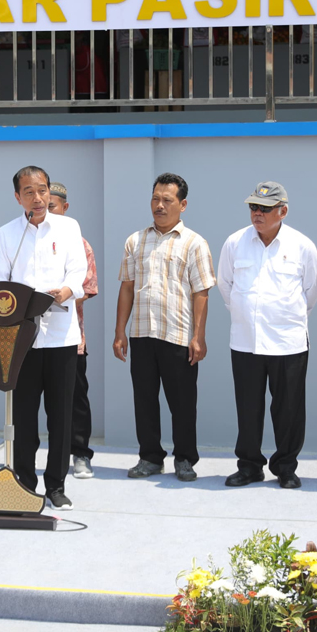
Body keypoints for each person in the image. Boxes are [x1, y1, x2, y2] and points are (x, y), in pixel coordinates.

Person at [0, 166, 87, 510]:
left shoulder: (68, 227)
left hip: (61, 336)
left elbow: (79, 271)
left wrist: (64, 291)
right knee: (25, 417)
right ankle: (25, 483)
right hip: (22, 339)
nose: (38, 198)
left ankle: (56, 485)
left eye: (43, 190)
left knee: (60, 416)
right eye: (29, 192)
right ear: (18, 197)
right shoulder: (6, 234)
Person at [217, 181, 317, 489]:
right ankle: (249, 466)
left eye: (265, 209)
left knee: (288, 410)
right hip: (246, 340)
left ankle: (286, 467)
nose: (257, 214)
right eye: (253, 207)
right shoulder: (235, 243)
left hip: (287, 341)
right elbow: (226, 285)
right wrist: (244, 311)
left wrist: (285, 316)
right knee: (248, 408)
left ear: (283, 211)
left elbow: (312, 291)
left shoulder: (302, 246)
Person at [113, 173, 216, 482]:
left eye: (167, 200)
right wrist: (120, 332)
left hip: (178, 335)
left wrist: (199, 337)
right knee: (143, 399)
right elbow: (127, 288)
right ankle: (150, 457)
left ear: (182, 204)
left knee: (183, 401)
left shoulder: (195, 243)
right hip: (142, 333)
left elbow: (202, 292)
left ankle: (185, 458)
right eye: (155, 199)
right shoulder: (135, 240)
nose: (159, 205)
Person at [47, 182, 99, 480]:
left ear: (65, 208)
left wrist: (60, 293)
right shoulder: (26, 239)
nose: (45, 210)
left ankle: (80, 454)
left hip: (70, 338)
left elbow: (88, 288)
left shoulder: (80, 243)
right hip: (33, 337)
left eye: (52, 206)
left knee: (74, 400)